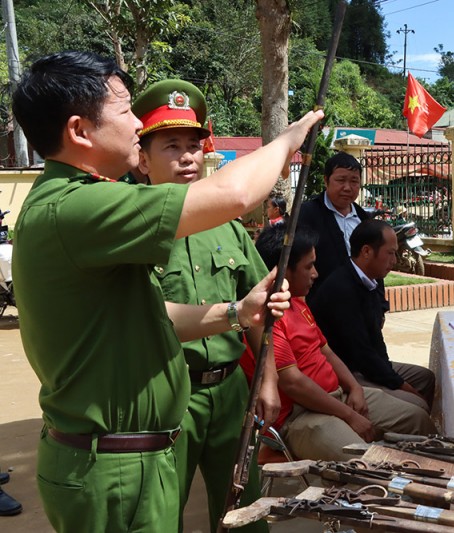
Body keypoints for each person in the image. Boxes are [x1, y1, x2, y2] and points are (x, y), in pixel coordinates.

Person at [11, 51, 320, 533]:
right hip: (113, 468)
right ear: (79, 130)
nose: (137, 125)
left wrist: (238, 312)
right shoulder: (77, 206)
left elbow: (156, 315)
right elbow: (234, 195)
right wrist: (288, 140)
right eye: (125, 110)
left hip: (132, 456)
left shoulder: (80, 202)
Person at [133, 79, 270, 533]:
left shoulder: (226, 227)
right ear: (142, 158)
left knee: (244, 509)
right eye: (171, 145)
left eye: (194, 144)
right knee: (161, 514)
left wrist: (266, 382)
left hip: (231, 392)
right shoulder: (128, 231)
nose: (188, 156)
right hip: (166, 392)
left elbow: (258, 310)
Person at [254, 225, 436, 460]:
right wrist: (349, 415)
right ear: (282, 271)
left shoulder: (297, 303)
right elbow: (293, 383)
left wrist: (354, 388)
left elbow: (325, 351)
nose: (316, 273)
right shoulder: (266, 318)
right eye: (309, 266)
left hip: (336, 395)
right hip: (300, 415)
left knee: (417, 419)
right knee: (364, 462)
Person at [310, 219, 436, 412]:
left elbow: (375, 339)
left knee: (425, 378)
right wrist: (401, 385)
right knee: (416, 405)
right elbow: (362, 353)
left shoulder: (369, 281)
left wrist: (393, 376)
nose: (394, 261)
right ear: (367, 251)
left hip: (364, 362)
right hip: (347, 372)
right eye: (390, 253)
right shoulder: (342, 289)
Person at [298, 152, 384, 304]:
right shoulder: (308, 214)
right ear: (326, 180)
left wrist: (380, 305)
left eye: (354, 182)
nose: (347, 188)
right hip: (324, 305)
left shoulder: (363, 218)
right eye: (341, 180)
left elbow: (375, 262)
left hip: (363, 304)